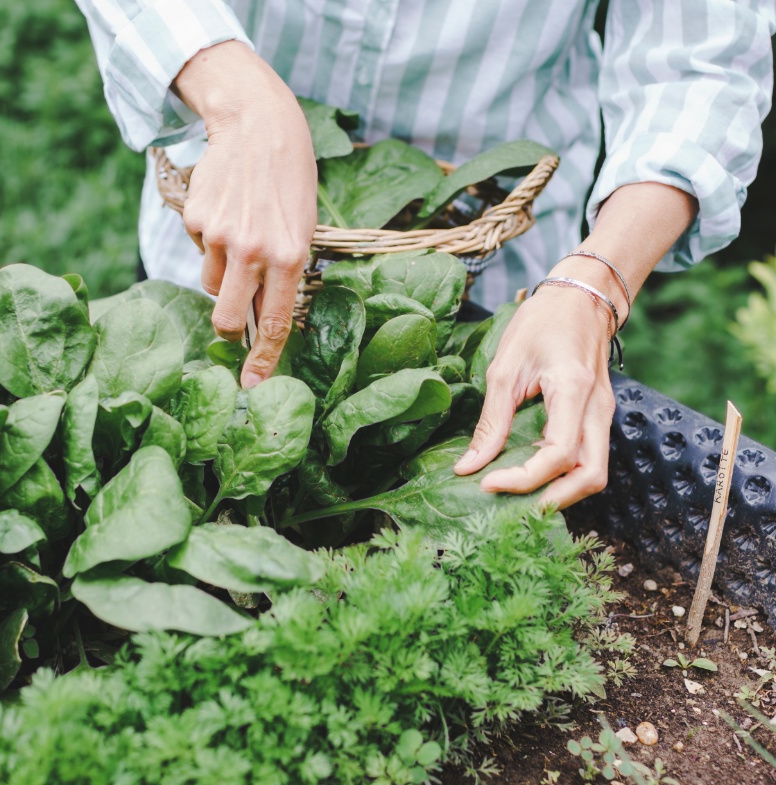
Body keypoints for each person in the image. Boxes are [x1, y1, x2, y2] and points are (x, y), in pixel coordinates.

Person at [75, 0, 775, 508]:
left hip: (497, 285)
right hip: (221, 242)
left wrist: (600, 281)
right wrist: (237, 97)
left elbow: (700, 64)